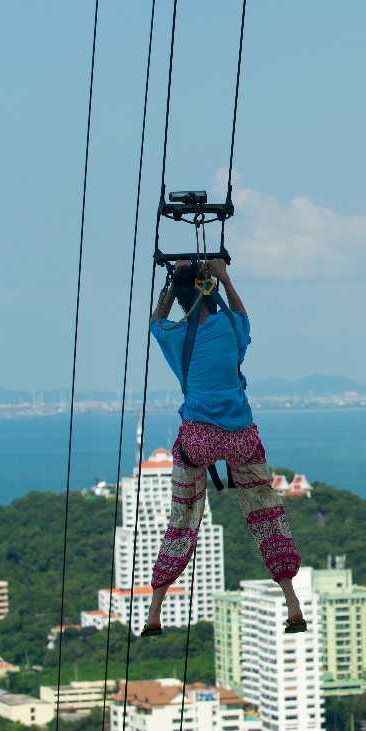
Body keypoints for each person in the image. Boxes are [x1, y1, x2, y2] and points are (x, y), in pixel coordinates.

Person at [141, 259, 304, 636]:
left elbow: (156, 321)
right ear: (209, 291)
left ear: (182, 299)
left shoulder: (176, 336)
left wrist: (170, 286)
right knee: (265, 512)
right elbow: (244, 316)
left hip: (197, 437)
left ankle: (154, 611)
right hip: (240, 436)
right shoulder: (230, 326)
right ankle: (292, 602)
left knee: (182, 517)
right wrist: (224, 276)